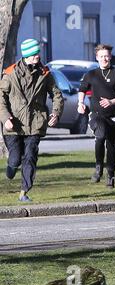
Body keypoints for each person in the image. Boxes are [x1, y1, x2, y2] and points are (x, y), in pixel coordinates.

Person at [0, 38, 63, 202]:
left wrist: (55, 113)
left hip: (35, 123)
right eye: (34, 53)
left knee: (30, 156)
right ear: (27, 55)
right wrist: (5, 117)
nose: (38, 56)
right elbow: (1, 98)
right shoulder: (10, 73)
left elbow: (56, 95)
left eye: (38, 53)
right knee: (15, 157)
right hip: (13, 123)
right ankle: (12, 165)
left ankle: (24, 192)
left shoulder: (45, 73)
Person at [77, 44, 115, 189]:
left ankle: (110, 175)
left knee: (112, 147)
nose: (104, 59)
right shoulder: (91, 74)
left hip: (114, 118)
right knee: (100, 135)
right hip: (97, 115)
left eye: (106, 56)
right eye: (101, 56)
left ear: (110, 57)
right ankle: (98, 166)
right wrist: (80, 103)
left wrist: (111, 101)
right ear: (97, 58)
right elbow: (82, 89)